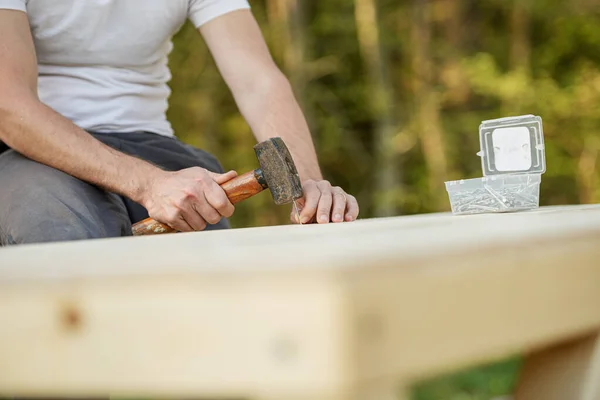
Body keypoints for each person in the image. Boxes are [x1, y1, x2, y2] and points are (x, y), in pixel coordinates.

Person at [0, 0, 359, 245]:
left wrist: (309, 184)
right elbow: (9, 106)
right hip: (34, 152)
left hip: (152, 144)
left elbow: (259, 82)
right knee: (59, 242)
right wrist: (148, 185)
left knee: (210, 278)